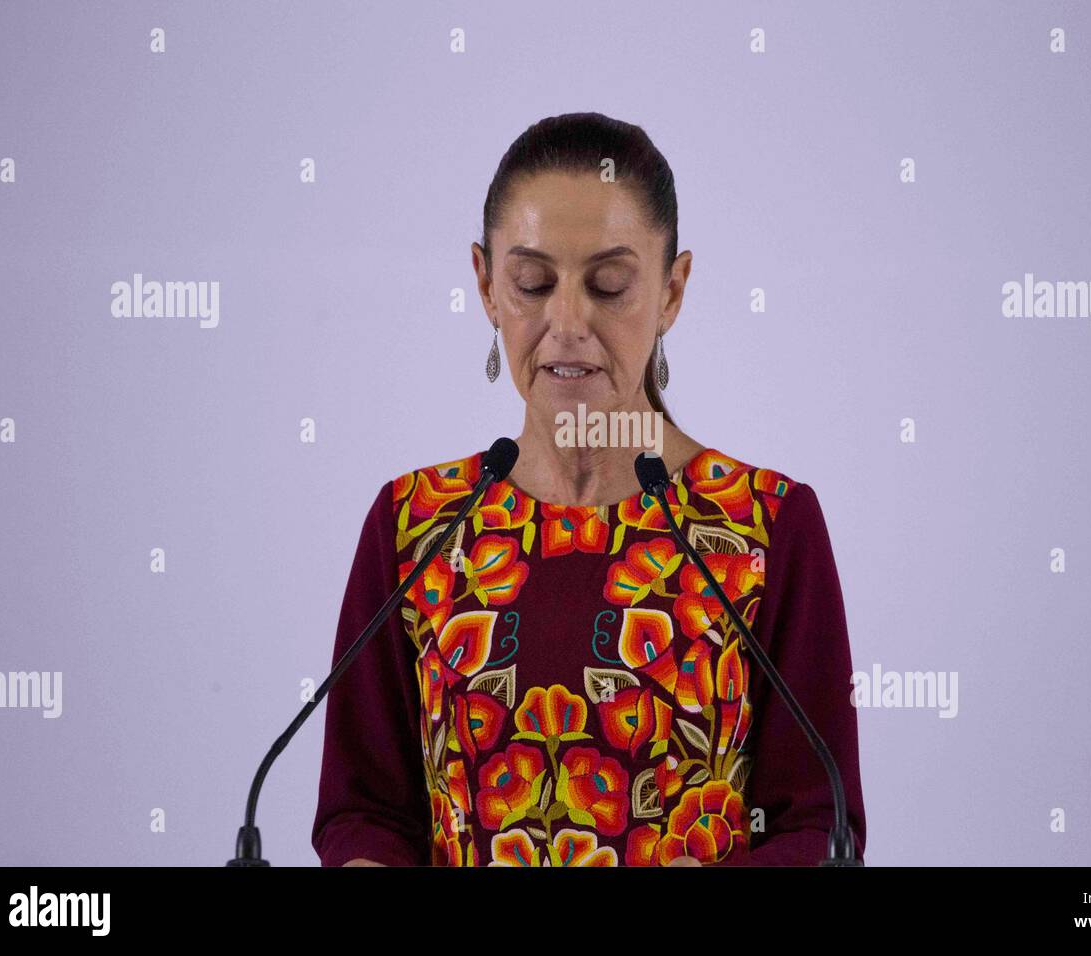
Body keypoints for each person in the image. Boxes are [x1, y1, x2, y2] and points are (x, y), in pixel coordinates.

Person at [311, 112, 865, 866]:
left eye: (609, 286)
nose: (566, 322)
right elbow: (365, 811)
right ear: (485, 286)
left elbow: (816, 826)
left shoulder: (767, 527)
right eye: (533, 282)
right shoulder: (415, 526)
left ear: (672, 291)